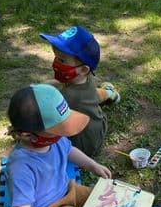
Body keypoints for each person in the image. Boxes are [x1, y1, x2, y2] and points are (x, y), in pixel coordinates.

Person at [6, 83, 161, 207]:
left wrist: (92, 165)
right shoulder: (21, 165)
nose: (63, 133)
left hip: (69, 190)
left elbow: (69, 150)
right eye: (57, 129)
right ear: (28, 135)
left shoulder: (54, 139)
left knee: (106, 201)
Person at [40, 25, 120, 157]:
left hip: (81, 148)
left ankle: (109, 92)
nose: (55, 63)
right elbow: (93, 94)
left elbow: (46, 122)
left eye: (61, 60)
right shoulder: (85, 79)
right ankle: (110, 93)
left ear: (83, 70)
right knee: (95, 95)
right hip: (98, 126)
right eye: (55, 57)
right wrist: (45, 85)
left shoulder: (67, 97)